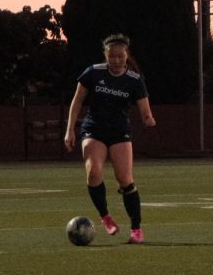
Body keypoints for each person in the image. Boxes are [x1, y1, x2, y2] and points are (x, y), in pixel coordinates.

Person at [64, 33, 156, 244]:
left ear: (126, 55)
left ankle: (136, 228)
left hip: (119, 132)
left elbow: (145, 110)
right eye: (111, 56)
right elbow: (76, 103)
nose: (116, 61)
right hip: (94, 129)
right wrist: (69, 129)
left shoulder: (134, 80)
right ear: (105, 55)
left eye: (120, 57)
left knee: (125, 178)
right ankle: (105, 217)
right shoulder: (92, 73)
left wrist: (148, 118)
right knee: (94, 172)